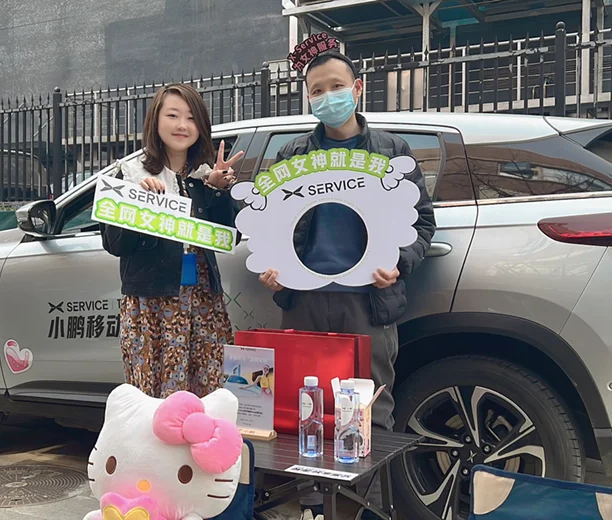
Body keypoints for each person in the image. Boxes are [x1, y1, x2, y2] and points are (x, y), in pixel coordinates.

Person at [258, 50, 436, 518]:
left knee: (369, 410)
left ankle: (365, 509)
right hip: (304, 301)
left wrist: (400, 263)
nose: (327, 97)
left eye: (336, 86)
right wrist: (272, 267)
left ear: (357, 89)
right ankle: (313, 506)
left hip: (369, 302)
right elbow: (268, 222)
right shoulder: (293, 155)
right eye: (317, 91)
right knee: (306, 408)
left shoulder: (391, 151)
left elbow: (422, 223)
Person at [102, 83, 244, 399]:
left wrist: (218, 191)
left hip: (202, 304)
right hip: (152, 305)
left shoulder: (206, 178)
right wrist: (140, 204)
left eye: (191, 118)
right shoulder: (132, 174)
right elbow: (114, 244)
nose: (182, 125)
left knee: (207, 392)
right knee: (152, 398)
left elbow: (229, 237)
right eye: (172, 115)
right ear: (155, 121)